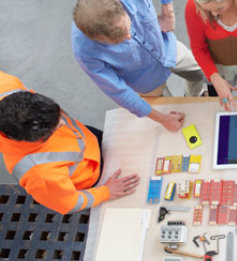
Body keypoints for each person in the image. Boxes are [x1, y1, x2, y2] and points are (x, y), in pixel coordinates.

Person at [72, 0, 204, 132]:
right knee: (167, 105)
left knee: (198, 72)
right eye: (117, 42)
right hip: (144, 79)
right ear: (95, 38)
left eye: (126, 28)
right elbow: (120, 93)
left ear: (118, 3)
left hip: (166, 47)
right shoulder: (85, 51)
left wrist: (168, 12)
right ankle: (180, 107)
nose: (128, 38)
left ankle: (193, 97)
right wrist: (163, 119)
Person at [0, 71, 140, 214]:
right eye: (54, 127)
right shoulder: (38, 173)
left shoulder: (6, 87)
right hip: (91, 176)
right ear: (36, 138)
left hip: (87, 137)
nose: (62, 121)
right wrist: (105, 192)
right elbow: (69, 203)